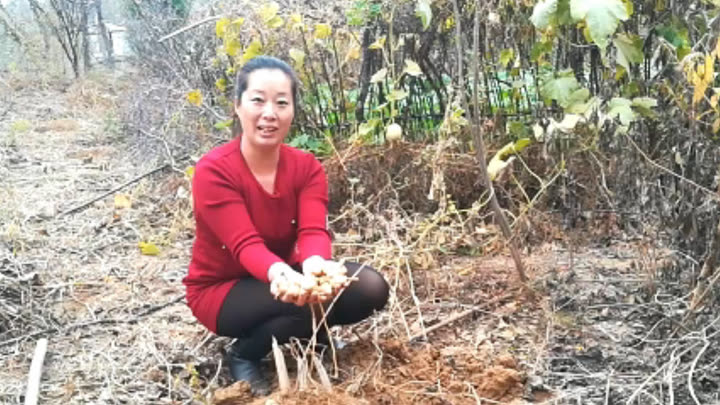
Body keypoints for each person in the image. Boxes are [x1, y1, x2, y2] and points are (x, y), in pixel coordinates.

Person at [182, 56, 390, 396]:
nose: (270, 113)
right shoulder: (214, 171)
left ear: (292, 110)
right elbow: (244, 244)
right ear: (238, 106)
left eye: (282, 102)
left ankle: (307, 331)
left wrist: (315, 265)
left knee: (369, 286)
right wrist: (282, 274)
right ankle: (244, 354)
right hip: (222, 290)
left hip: (283, 274)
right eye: (258, 100)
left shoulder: (306, 167)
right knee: (301, 302)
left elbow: (312, 231)